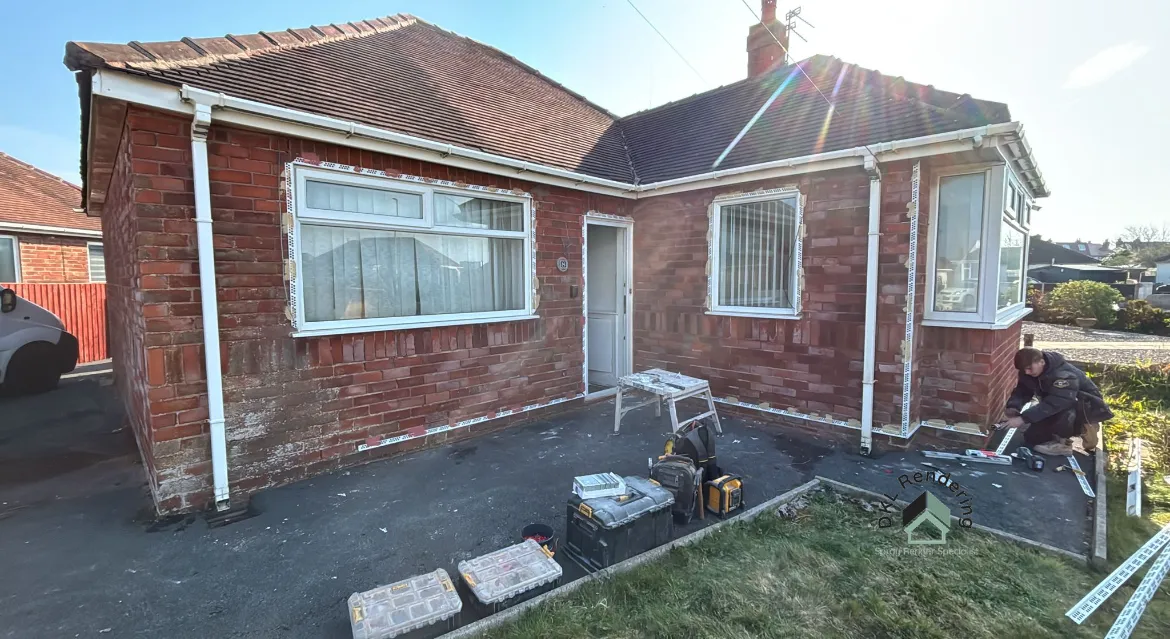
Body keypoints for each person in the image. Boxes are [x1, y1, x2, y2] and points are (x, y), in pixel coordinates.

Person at [1001, 348, 1113, 456]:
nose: (1027, 372)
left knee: (1064, 407)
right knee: (1032, 438)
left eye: (1029, 368)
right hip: (1055, 403)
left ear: (1042, 362)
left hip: (1085, 407)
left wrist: (1023, 419)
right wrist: (1013, 407)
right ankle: (1056, 433)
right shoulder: (1029, 372)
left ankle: (1065, 442)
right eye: (1023, 369)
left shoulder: (1064, 376)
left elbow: (1057, 403)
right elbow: (1023, 390)